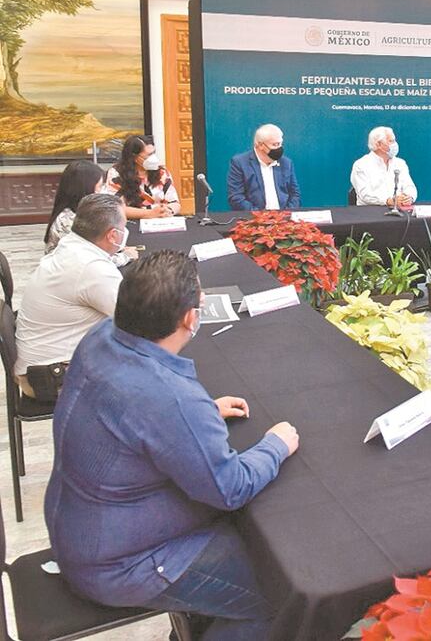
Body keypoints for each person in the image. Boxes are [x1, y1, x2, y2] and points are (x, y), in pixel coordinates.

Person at [44, 249, 300, 641]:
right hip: (120, 566)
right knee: (284, 599)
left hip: (79, 529)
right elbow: (230, 489)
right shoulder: (171, 397)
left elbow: (133, 420)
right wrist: (275, 445)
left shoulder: (100, 337)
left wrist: (202, 413)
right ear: (190, 318)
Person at [14, 194, 128, 398]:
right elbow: (136, 321)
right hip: (50, 377)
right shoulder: (91, 267)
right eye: (125, 226)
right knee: (148, 374)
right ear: (112, 235)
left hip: (39, 365)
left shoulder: (72, 244)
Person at [44, 160, 138, 266]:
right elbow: (90, 260)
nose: (102, 192)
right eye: (99, 188)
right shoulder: (69, 220)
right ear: (85, 190)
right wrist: (125, 256)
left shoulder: (82, 212)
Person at [226, 123, 302, 211]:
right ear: (261, 145)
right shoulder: (240, 163)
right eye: (275, 144)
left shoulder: (286, 163)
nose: (279, 148)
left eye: (280, 144)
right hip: (253, 217)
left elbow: (295, 194)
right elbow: (236, 198)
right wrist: (261, 216)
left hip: (284, 217)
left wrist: (285, 214)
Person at [103, 135, 180, 219]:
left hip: (162, 221)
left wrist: (169, 210)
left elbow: (175, 202)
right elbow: (114, 208)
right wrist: (151, 213)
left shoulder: (162, 172)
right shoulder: (116, 174)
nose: (153, 158)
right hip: (131, 222)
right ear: (134, 157)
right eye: (149, 155)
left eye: (153, 153)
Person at [350, 126, 417, 208]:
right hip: (370, 211)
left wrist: (409, 197)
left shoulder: (400, 163)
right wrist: (388, 200)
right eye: (391, 141)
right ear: (378, 144)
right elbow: (365, 194)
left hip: (399, 209)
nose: (395, 144)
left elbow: (410, 186)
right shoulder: (361, 165)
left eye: (394, 140)